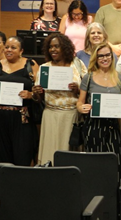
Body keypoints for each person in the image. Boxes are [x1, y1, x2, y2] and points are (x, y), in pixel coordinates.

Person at [32, 32, 86, 165]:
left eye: (57, 46)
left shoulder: (77, 64)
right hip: (50, 114)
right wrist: (37, 93)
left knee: (68, 154)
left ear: (65, 48)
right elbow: (39, 99)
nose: (53, 49)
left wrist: (77, 89)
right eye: (50, 47)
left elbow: (88, 91)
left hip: (71, 115)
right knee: (49, 152)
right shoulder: (45, 68)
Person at [0, 36, 38, 166]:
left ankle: (20, 179)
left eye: (13, 47)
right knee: (2, 156)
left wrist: (31, 94)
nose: (9, 50)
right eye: (7, 47)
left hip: (21, 118)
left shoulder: (30, 65)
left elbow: (40, 90)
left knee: (22, 155)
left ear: (21, 51)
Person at [77, 42, 121, 158]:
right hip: (93, 126)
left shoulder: (119, 77)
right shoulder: (88, 77)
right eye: (101, 56)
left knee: (114, 161)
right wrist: (81, 107)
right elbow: (80, 102)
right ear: (95, 58)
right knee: (94, 161)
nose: (105, 58)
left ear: (112, 56)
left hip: (113, 126)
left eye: (107, 55)